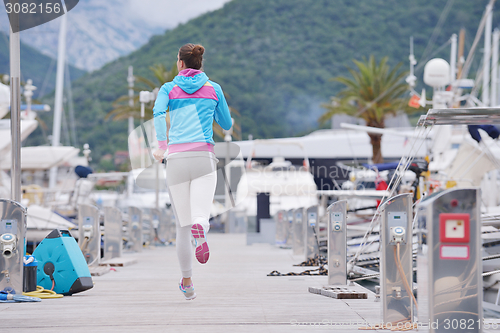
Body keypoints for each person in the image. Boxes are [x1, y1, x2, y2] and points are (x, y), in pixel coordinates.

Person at [152, 43, 232, 300]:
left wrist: (161, 146)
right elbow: (227, 123)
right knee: (199, 215)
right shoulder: (214, 88)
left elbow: (157, 113)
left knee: (182, 226)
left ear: (180, 63)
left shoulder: (168, 88)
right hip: (203, 156)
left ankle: (187, 283)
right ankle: (202, 225)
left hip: (176, 157)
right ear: (200, 63)